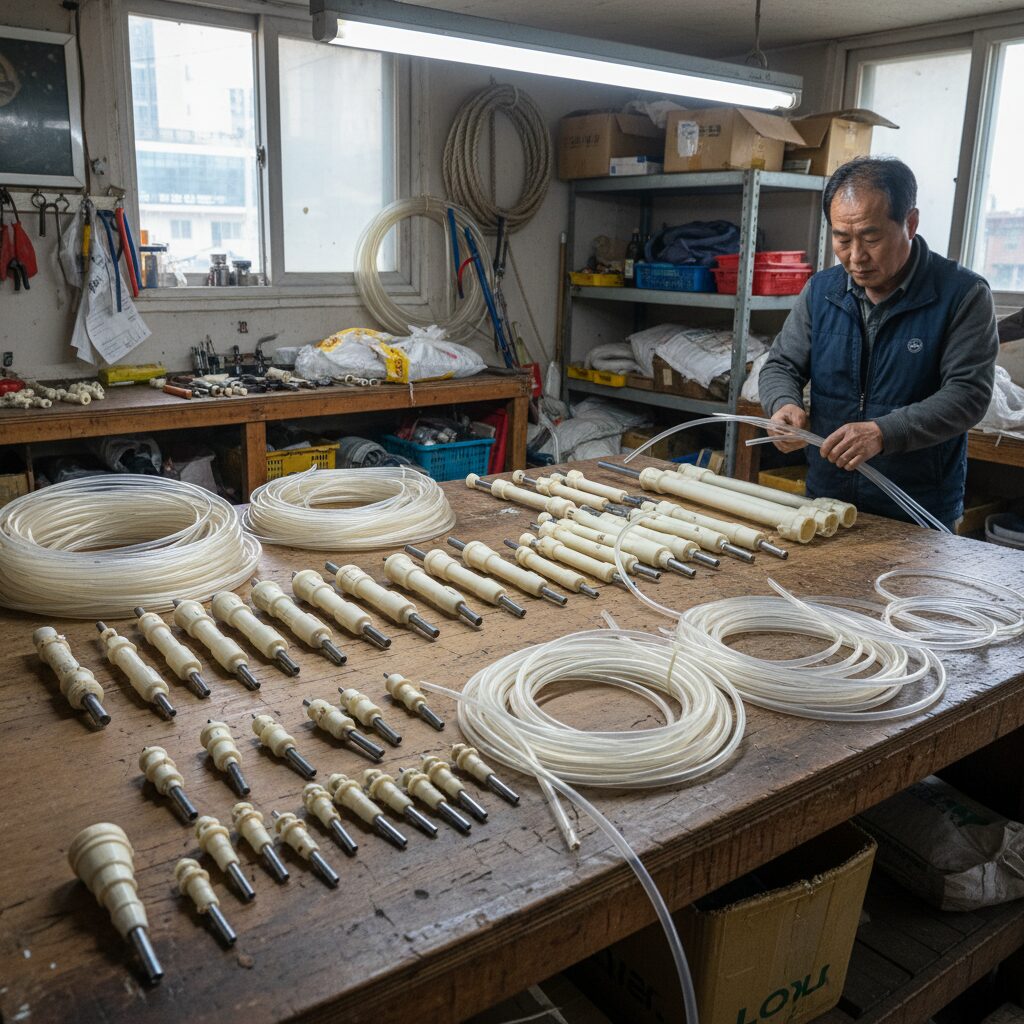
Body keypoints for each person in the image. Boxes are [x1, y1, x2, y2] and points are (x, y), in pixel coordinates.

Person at [758, 156, 998, 530]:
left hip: (918, 509)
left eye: (871, 238)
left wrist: (883, 433)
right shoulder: (822, 291)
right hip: (827, 500)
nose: (856, 257)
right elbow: (780, 365)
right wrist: (782, 403)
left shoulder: (962, 295)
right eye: (842, 239)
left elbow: (968, 394)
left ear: (911, 223)